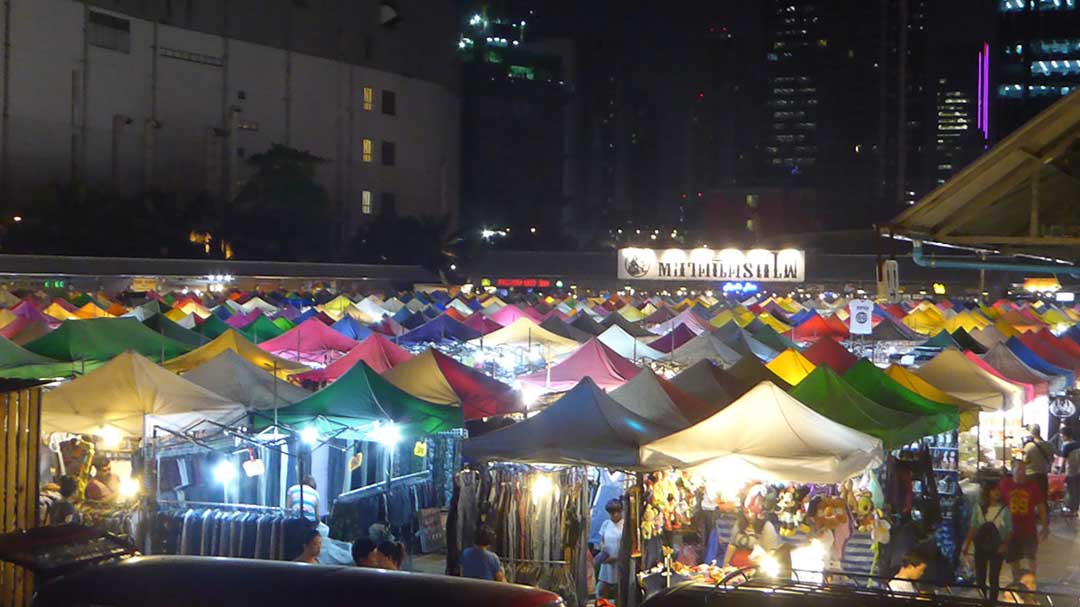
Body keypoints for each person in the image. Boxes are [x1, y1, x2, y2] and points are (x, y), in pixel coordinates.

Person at [962, 483, 1013, 603]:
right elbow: (973, 527)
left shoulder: (1005, 509)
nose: (997, 493)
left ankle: (992, 602)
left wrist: (1004, 544)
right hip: (981, 547)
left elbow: (1010, 530)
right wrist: (967, 543)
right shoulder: (979, 508)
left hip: (996, 547)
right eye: (994, 490)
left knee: (994, 578)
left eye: (998, 490)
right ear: (987, 492)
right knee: (980, 578)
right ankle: (983, 601)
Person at [1000, 459, 1048, 579]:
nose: (1022, 472)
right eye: (1019, 469)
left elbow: (1041, 507)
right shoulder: (1004, 484)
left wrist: (1045, 525)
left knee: (1030, 557)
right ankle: (1017, 582)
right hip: (1010, 530)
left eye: (1024, 469)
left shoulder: (1033, 486)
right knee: (1013, 559)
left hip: (1028, 529)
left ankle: (1031, 584)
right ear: (1012, 470)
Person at [596, 499, 624, 600]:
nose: (614, 515)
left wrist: (616, 558)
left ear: (621, 511)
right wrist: (602, 551)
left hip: (619, 562)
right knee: (601, 590)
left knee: (619, 591)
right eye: (611, 513)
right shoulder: (606, 524)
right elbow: (602, 540)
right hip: (607, 562)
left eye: (616, 512)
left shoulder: (624, 525)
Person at [1023, 425, 1053, 509]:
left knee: (1031, 496)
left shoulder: (1029, 446)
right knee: (1042, 497)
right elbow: (1051, 459)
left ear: (1031, 433)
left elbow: (1025, 461)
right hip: (1043, 475)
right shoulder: (1049, 445)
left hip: (1031, 475)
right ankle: (1043, 515)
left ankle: (1033, 515)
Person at [1060, 427, 1080, 516]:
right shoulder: (1078, 444)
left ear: (1065, 436)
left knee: (1070, 491)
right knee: (1077, 490)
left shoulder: (1066, 446)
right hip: (1079, 471)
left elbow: (1063, 461)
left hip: (1071, 471)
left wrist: (1060, 472)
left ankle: (1071, 510)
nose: (1061, 438)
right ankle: (1076, 509)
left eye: (1061, 436)